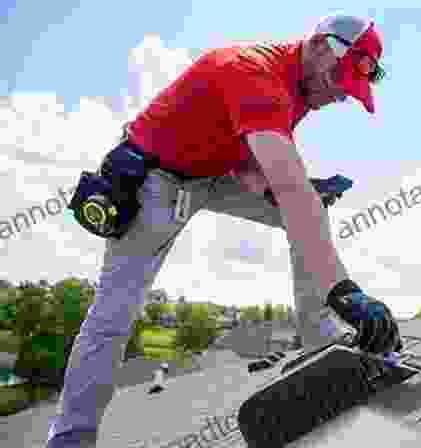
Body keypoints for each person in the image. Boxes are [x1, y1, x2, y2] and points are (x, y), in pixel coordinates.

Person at [45, 12, 401, 447]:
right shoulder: (254, 72)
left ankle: (320, 340)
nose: (338, 97)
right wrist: (343, 290)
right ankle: (71, 436)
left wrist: (302, 193)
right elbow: (286, 184)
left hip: (215, 174)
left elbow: (255, 173)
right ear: (322, 47)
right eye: (338, 83)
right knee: (114, 315)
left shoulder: (300, 90)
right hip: (157, 179)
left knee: (310, 209)